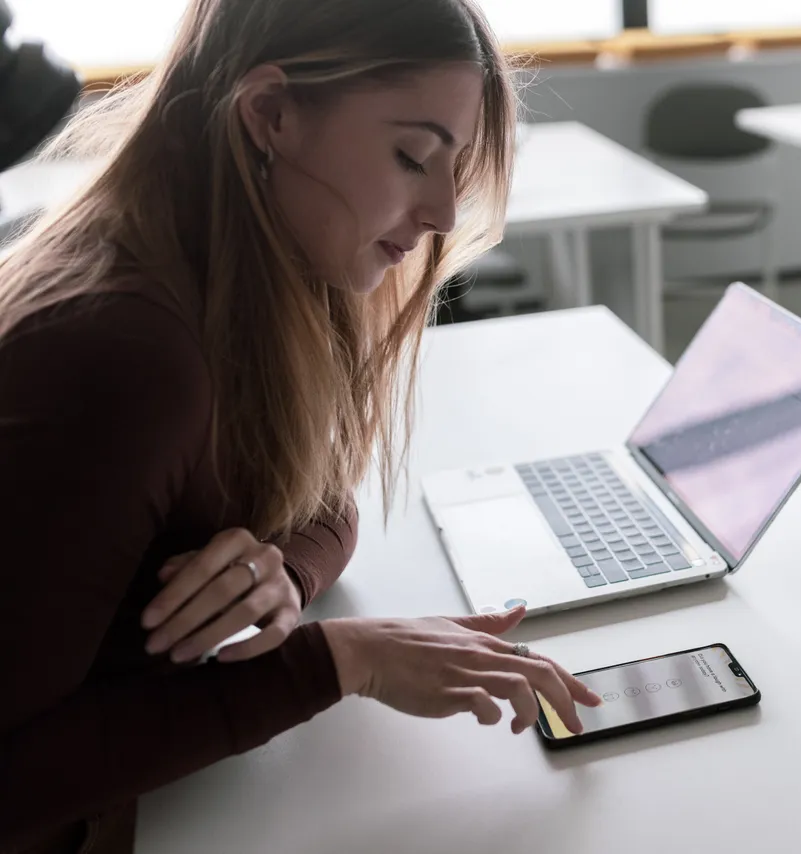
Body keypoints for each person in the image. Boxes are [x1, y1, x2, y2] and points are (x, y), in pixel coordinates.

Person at [0, 1, 602, 851]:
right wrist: (340, 662)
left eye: (452, 167)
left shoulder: (239, 275)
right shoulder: (117, 352)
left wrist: (277, 567)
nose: (439, 213)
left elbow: (323, 497)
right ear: (271, 115)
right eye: (412, 156)